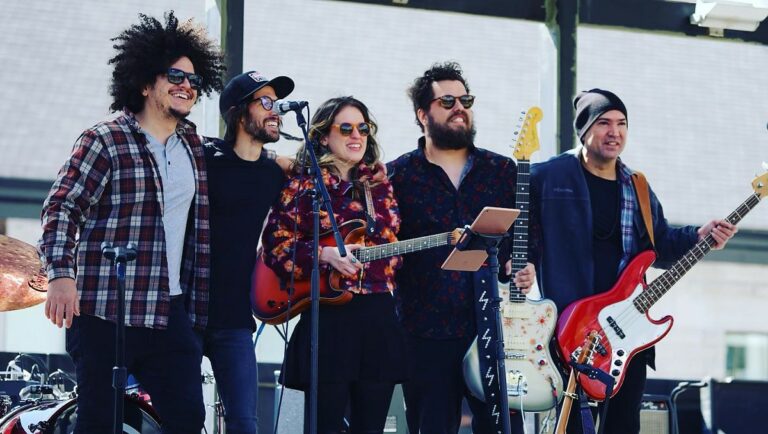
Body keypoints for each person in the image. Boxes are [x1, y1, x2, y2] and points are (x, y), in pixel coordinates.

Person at [38, 11, 224, 433]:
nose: (186, 86)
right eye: (175, 75)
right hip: (105, 310)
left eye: (194, 81)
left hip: (168, 309)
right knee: (99, 423)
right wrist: (61, 276)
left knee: (188, 419)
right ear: (144, 81)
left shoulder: (192, 144)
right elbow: (62, 207)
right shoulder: (104, 139)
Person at [528, 88, 737, 433]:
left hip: (627, 329)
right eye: (604, 122)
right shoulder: (549, 177)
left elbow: (661, 245)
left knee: (624, 426)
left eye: (622, 123)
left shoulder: (635, 185)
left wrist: (700, 236)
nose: (615, 132)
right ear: (584, 130)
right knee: (571, 426)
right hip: (573, 327)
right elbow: (517, 228)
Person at [387, 61, 535, 434]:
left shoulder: (502, 171)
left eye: (465, 99)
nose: (460, 108)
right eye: (448, 101)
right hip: (424, 333)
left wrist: (524, 267)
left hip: (492, 328)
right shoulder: (397, 175)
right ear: (423, 114)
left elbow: (525, 240)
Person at [261, 96, 408, 433]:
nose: (357, 135)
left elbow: (394, 247)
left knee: (371, 426)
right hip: (329, 317)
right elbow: (275, 246)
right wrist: (323, 255)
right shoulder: (304, 185)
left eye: (363, 128)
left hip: (378, 315)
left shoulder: (380, 186)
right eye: (346, 128)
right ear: (324, 136)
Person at [199, 70, 294, 434]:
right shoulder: (204, 158)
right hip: (186, 313)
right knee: (184, 417)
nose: (276, 112)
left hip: (235, 319)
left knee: (245, 422)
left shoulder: (273, 173)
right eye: (265, 103)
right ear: (240, 114)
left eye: (277, 104)